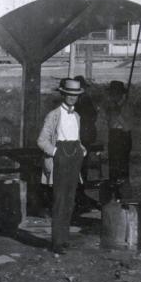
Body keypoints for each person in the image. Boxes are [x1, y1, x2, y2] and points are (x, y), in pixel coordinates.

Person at [36, 78, 85, 255]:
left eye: (76, 95)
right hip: (60, 158)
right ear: (63, 94)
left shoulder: (77, 116)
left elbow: (77, 138)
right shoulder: (54, 115)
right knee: (59, 201)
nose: (72, 98)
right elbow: (41, 140)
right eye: (69, 94)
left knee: (70, 201)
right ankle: (56, 242)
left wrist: (81, 149)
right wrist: (57, 153)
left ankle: (64, 240)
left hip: (74, 157)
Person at [103, 80, 133, 198]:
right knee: (113, 166)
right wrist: (112, 112)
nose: (112, 95)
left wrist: (119, 115)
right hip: (113, 136)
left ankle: (124, 195)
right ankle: (114, 194)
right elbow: (108, 123)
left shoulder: (127, 106)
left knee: (123, 167)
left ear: (120, 93)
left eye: (114, 93)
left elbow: (127, 127)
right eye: (111, 93)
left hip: (124, 137)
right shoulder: (110, 106)